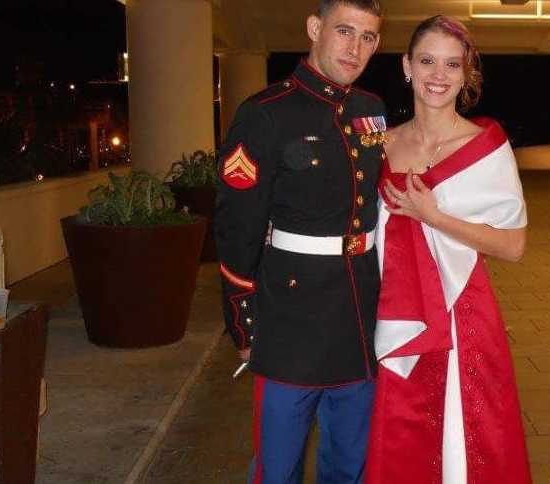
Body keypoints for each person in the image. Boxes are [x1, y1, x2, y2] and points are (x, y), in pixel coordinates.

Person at [214, 1, 386, 482]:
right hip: (290, 320)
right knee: (279, 467)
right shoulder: (264, 114)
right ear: (315, 28)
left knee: (351, 464)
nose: (356, 48)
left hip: (359, 316)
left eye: (369, 37)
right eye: (345, 31)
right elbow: (237, 229)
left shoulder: (371, 110)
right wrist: (244, 327)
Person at [364, 15, 533, 484]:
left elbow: (514, 246)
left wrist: (433, 216)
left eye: (452, 65)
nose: (438, 76)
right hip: (394, 316)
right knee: (402, 434)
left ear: (466, 73)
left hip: (463, 317)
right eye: (427, 61)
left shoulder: (486, 147)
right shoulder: (381, 145)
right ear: (407, 67)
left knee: (467, 439)